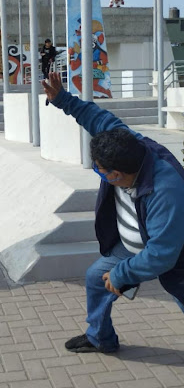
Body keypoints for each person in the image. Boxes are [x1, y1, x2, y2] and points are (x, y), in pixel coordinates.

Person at [42, 72, 184, 353]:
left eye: (99, 171)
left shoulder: (166, 189)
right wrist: (61, 99)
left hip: (176, 255)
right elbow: (97, 118)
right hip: (131, 247)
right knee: (96, 278)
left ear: (116, 174)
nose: (98, 172)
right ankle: (100, 338)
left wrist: (122, 275)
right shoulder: (128, 143)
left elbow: (162, 254)